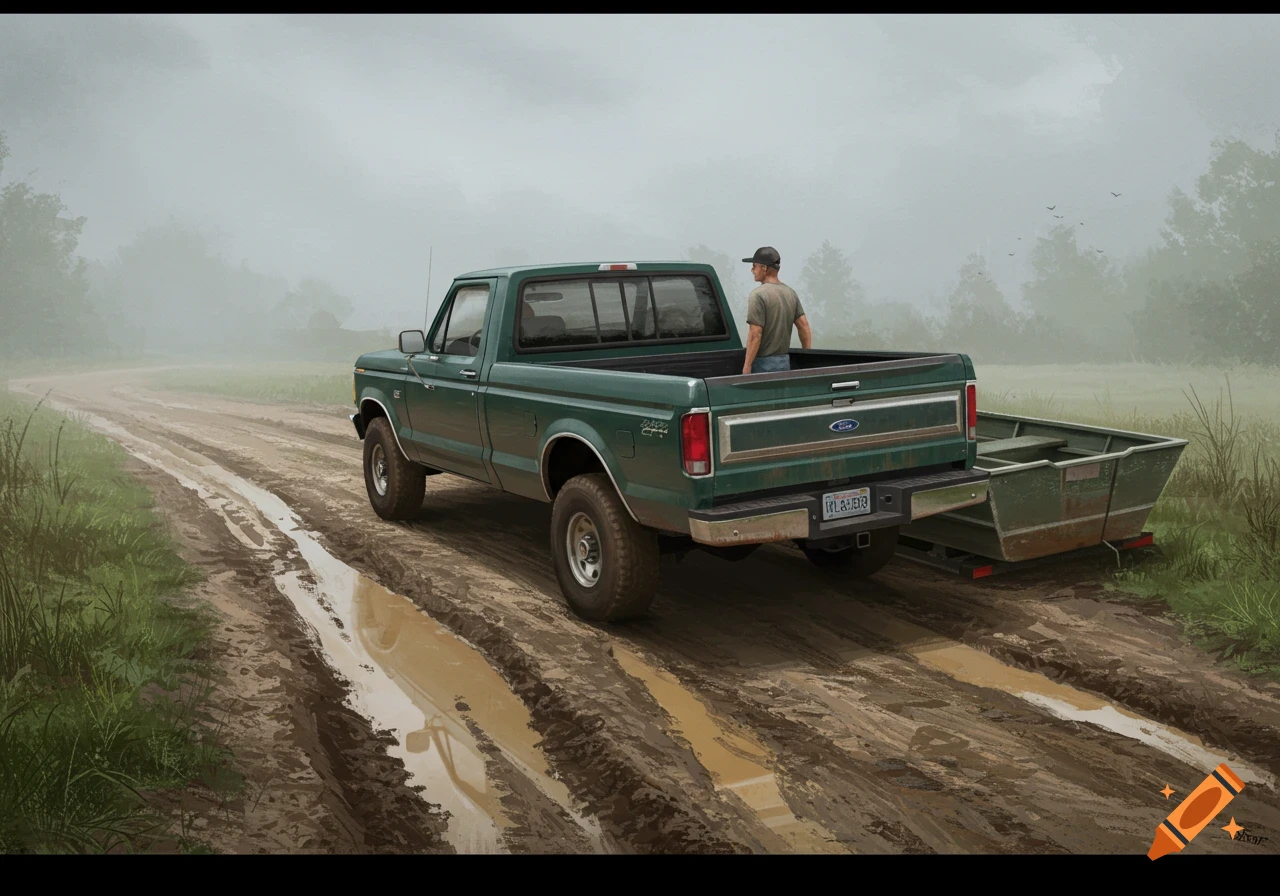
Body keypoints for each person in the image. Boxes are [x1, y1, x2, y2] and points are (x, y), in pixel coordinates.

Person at [740, 246, 811, 374]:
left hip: (762, 364)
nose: (752, 270)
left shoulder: (758, 295)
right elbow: (804, 326)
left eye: (754, 266)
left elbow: (755, 334)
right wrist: (807, 356)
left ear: (764, 268)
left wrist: (747, 366)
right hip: (784, 362)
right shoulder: (790, 293)